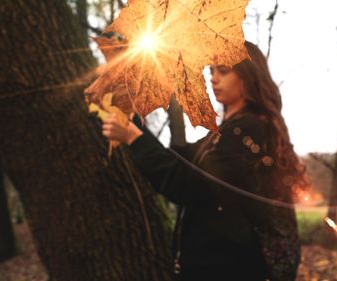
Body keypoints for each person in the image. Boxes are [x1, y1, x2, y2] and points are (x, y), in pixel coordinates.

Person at [102, 41, 306, 281]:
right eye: (211, 71)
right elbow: (182, 156)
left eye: (224, 71)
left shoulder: (248, 129)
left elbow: (188, 184)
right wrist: (135, 124)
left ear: (248, 76)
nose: (213, 78)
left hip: (230, 269)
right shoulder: (228, 132)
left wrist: (134, 139)